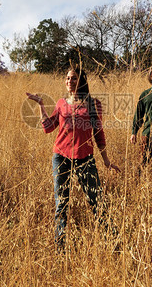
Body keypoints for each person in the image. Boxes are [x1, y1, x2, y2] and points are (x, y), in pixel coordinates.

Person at [26, 67, 121, 250]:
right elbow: (48, 127)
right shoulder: (61, 103)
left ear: (81, 81)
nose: (70, 81)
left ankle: (113, 241)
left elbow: (99, 134)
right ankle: (60, 246)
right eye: (68, 78)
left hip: (85, 158)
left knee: (97, 201)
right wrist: (40, 105)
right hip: (61, 157)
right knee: (61, 203)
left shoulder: (93, 104)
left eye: (74, 78)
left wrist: (106, 160)